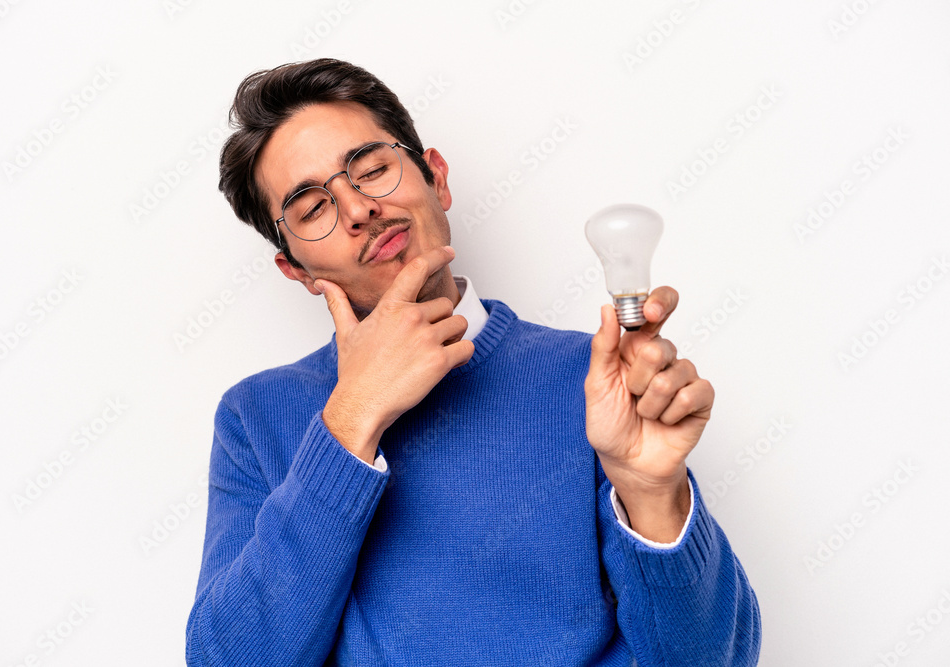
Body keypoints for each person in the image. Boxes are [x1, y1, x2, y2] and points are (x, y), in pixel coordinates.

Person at [186, 57, 761, 666]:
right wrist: (352, 417)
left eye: (372, 168)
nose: (358, 210)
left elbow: (712, 660)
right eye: (311, 209)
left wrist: (652, 493)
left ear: (435, 177)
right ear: (297, 269)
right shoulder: (256, 416)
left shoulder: (594, 379)